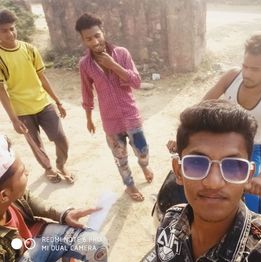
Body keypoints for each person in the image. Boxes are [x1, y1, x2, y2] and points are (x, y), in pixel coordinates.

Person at [143, 100, 261, 262]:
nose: (213, 183)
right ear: (178, 171)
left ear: (248, 176)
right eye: (197, 163)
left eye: (233, 166)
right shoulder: (171, 219)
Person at [202, 34, 261, 217]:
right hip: (222, 142)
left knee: (251, 209)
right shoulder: (232, 77)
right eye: (245, 66)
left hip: (253, 148)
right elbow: (201, 107)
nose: (247, 73)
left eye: (255, 69)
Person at [74, 13, 153, 202]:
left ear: (103, 32)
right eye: (89, 38)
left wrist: (114, 65)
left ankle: (144, 166)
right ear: (83, 40)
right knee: (121, 158)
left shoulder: (121, 54)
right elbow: (86, 93)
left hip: (131, 116)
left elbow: (136, 82)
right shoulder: (85, 65)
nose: (94, 41)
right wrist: (88, 118)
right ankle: (130, 185)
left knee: (142, 150)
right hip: (111, 123)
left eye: (97, 35)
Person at [0, 134, 108, 261]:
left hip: (35, 239)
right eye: (22, 172)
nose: (28, 172)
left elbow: (26, 198)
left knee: (96, 245)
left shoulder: (10, 196)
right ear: (4, 195)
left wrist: (64, 214)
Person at [0, 9, 73, 184]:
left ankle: (61, 164)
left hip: (43, 103)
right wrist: (14, 119)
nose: (10, 33)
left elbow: (42, 77)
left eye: (12, 28)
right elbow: (1, 90)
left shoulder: (30, 49)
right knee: (36, 144)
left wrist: (57, 101)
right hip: (22, 111)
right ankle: (48, 168)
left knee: (61, 138)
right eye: (4, 30)